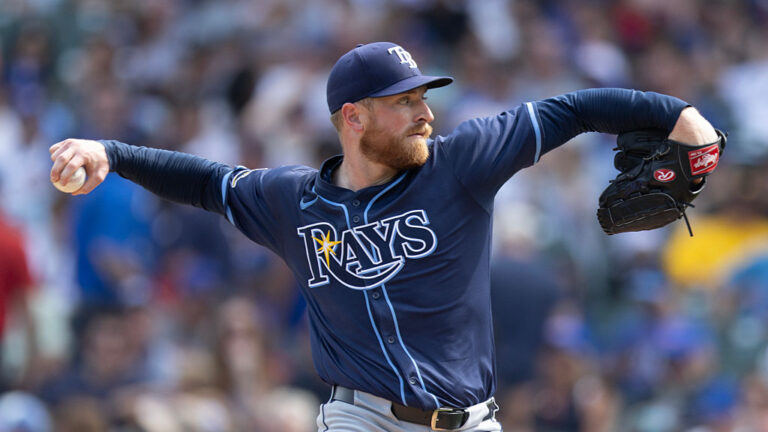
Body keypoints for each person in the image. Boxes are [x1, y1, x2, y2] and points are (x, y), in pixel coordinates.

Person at [49, 42, 720, 431]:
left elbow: (570, 109)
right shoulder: (293, 201)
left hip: (471, 419)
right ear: (355, 118)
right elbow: (208, 181)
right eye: (406, 102)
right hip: (361, 419)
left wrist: (680, 115)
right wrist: (110, 152)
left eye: (424, 98)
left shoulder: (463, 163)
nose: (426, 113)